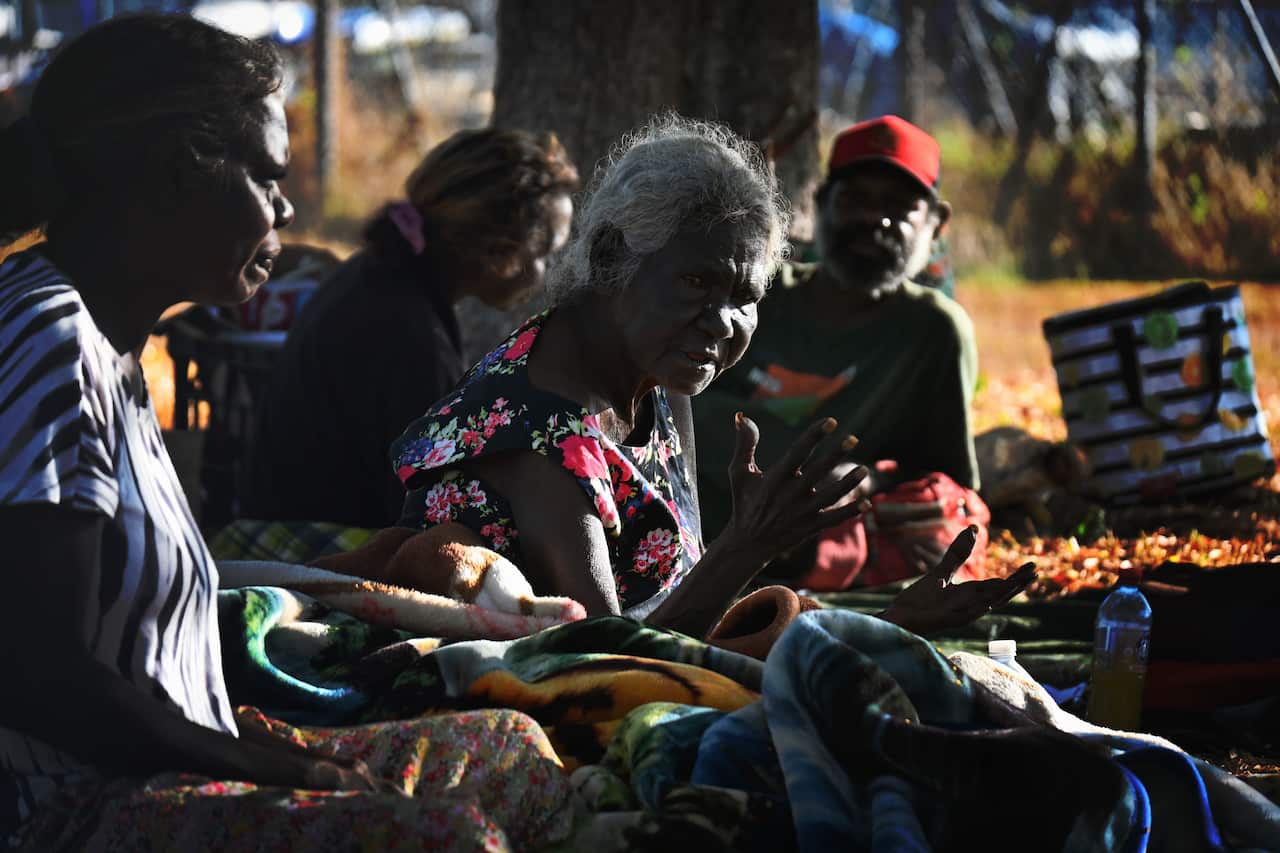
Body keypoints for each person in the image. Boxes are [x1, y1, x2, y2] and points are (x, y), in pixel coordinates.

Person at [0, 16, 572, 849]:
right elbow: (37, 672)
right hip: (73, 810)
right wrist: (274, 768)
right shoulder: (49, 341)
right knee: (445, 836)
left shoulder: (109, 343)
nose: (288, 204)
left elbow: (132, 654)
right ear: (173, 174)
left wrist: (246, 735)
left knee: (512, 753)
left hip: (161, 766)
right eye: (264, 174)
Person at [390, 114, 1032, 640]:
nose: (725, 323)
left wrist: (882, 622)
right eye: (697, 281)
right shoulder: (543, 435)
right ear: (614, 256)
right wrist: (750, 546)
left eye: (747, 296)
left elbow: (682, 602)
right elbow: (609, 661)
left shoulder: (658, 377)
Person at [692, 114, 983, 589]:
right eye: (855, 200)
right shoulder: (755, 296)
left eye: (899, 206)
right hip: (690, 538)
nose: (874, 219)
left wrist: (867, 480)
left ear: (936, 224)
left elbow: (945, 483)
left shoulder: (933, 334)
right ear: (821, 203)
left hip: (816, 563)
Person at [244, 129, 578, 528]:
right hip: (316, 545)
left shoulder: (378, 279)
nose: (551, 272)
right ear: (498, 254)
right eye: (546, 254)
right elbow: (421, 513)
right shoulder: (412, 336)